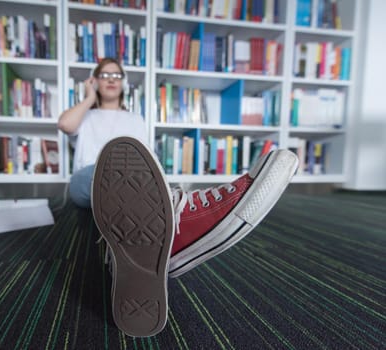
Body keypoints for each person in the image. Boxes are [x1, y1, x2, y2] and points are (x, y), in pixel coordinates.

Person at [58, 58, 299, 338]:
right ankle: (176, 223)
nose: (111, 78)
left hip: (130, 190)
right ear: (94, 80)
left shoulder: (135, 119)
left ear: (124, 82)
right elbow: (65, 124)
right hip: (87, 181)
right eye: (104, 74)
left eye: (116, 74)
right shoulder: (86, 115)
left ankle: (153, 229)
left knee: (141, 182)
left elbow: (145, 166)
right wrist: (89, 98)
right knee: (106, 174)